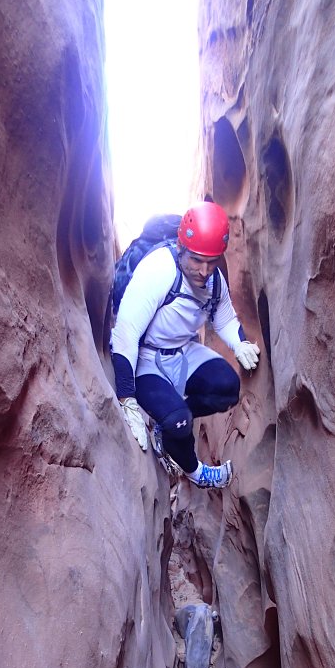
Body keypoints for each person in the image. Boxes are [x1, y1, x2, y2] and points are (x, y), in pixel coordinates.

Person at [110, 201, 260, 489]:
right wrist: (127, 398)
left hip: (184, 352)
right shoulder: (159, 269)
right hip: (147, 359)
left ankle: (170, 428)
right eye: (197, 260)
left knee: (227, 389)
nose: (204, 270)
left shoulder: (214, 281)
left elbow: (224, 317)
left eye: (212, 261)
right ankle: (194, 470)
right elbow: (126, 333)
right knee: (178, 419)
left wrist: (240, 344)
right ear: (181, 248)